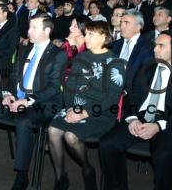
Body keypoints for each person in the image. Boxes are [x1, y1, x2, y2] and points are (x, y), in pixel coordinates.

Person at [0, 15, 68, 190]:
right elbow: (15, 76)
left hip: (43, 103)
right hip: (17, 98)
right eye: (29, 27)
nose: (28, 31)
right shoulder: (25, 49)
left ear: (46, 31)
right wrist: (8, 93)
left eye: (33, 28)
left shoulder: (59, 54)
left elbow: (54, 87)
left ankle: (22, 175)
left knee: (24, 122)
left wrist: (28, 100)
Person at [99, 30, 172, 190]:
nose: (155, 49)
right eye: (155, 45)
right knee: (106, 143)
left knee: (163, 154)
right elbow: (131, 95)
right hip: (141, 118)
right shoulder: (147, 69)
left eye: (161, 46)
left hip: (168, 123)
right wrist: (132, 118)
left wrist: (158, 126)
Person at [48, 21, 125, 190]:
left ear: (104, 37)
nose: (86, 37)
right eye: (86, 34)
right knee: (53, 130)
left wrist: (84, 114)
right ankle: (60, 177)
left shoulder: (116, 63)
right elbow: (69, 87)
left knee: (70, 136)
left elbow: (112, 99)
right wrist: (70, 108)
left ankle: (87, 168)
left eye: (91, 34)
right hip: (75, 106)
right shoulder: (81, 58)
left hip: (100, 112)